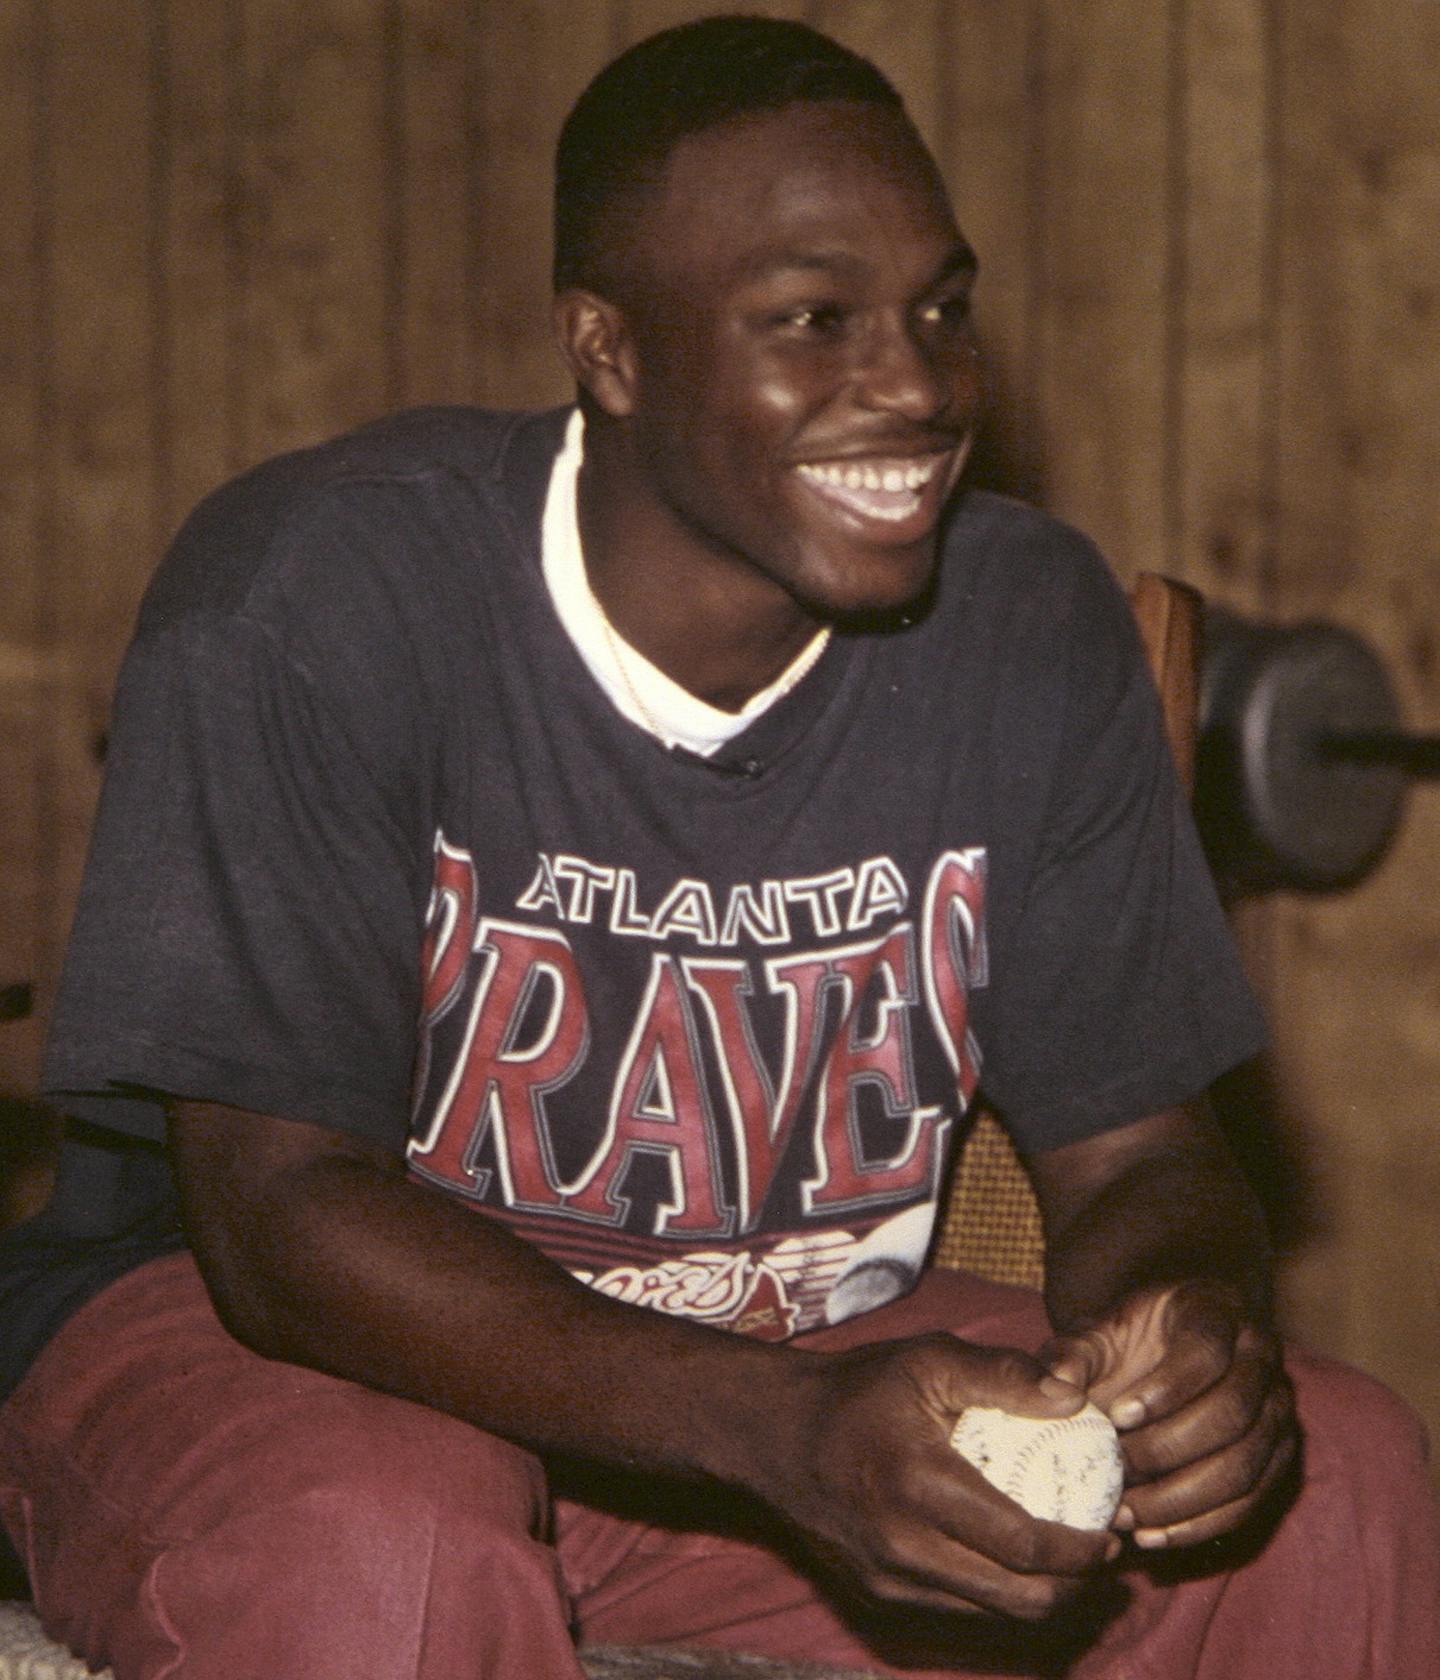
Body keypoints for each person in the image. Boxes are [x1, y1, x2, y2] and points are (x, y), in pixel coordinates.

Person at [1, 15, 1435, 1679]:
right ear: (607, 350)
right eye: (811, 320)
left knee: (1349, 1485)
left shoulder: (1028, 627)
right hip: (285, 1353)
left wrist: (1190, 1329)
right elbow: (274, 1222)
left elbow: (1138, 1163)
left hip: (785, 1358)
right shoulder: (318, 598)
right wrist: (774, 1429)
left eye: (939, 310)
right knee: (387, 1550)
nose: (913, 382)